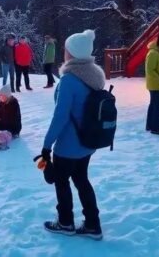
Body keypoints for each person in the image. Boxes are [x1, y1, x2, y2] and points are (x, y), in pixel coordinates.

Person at [42, 29, 104, 240]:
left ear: (73, 53)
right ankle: (93, 224)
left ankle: (65, 222)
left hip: (68, 145)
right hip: (87, 142)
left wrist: (46, 145)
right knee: (82, 180)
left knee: (61, 182)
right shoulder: (94, 76)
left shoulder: (69, 80)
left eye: (66, 49)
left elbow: (60, 117)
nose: (64, 52)